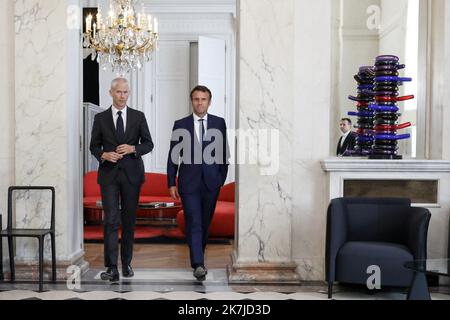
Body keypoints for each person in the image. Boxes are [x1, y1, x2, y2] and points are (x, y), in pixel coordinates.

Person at [90, 78, 154, 282]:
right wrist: (104, 155)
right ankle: (111, 268)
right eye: (118, 92)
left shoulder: (138, 116)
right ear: (111, 93)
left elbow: (149, 144)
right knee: (110, 221)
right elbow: (93, 146)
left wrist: (133, 148)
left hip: (132, 175)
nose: (122, 96)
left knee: (128, 221)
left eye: (125, 92)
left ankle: (126, 263)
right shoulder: (100, 118)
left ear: (129, 93)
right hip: (108, 176)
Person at [167, 85, 229, 282]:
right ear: (191, 101)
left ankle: (198, 257)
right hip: (188, 182)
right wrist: (171, 182)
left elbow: (223, 155)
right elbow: (173, 156)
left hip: (212, 182)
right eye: (196, 99)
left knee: (204, 222)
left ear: (209, 102)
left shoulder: (219, 123)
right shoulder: (180, 124)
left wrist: (220, 180)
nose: (200, 102)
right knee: (194, 221)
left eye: (203, 99)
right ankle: (198, 264)